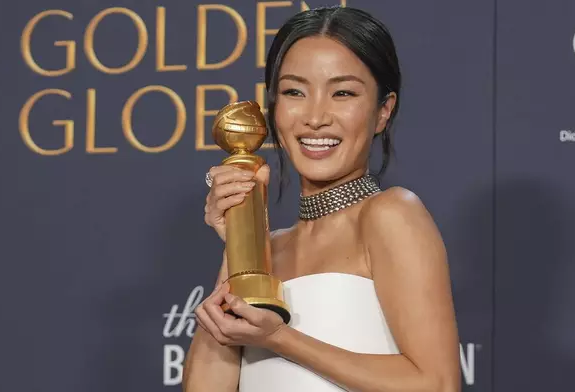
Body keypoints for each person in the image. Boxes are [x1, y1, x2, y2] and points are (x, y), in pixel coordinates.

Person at [183, 6, 460, 392]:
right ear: (274, 107)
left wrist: (279, 338)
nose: (315, 117)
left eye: (342, 93)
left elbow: (438, 384)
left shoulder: (391, 214)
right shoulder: (268, 246)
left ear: (383, 111)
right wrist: (242, 236)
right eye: (294, 91)